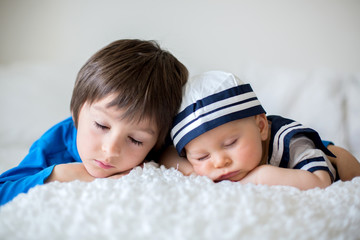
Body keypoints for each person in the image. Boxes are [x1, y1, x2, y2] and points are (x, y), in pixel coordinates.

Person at [0, 39, 188, 206]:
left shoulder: (162, 134)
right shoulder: (53, 147)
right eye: (101, 125)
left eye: (135, 139)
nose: (111, 149)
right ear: (76, 113)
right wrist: (62, 174)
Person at [160, 71, 360, 190]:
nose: (220, 162)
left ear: (261, 127)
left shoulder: (290, 140)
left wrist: (259, 176)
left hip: (332, 159)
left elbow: (320, 181)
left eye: (230, 144)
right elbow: (164, 154)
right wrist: (191, 172)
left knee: (344, 159)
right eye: (202, 157)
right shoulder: (198, 149)